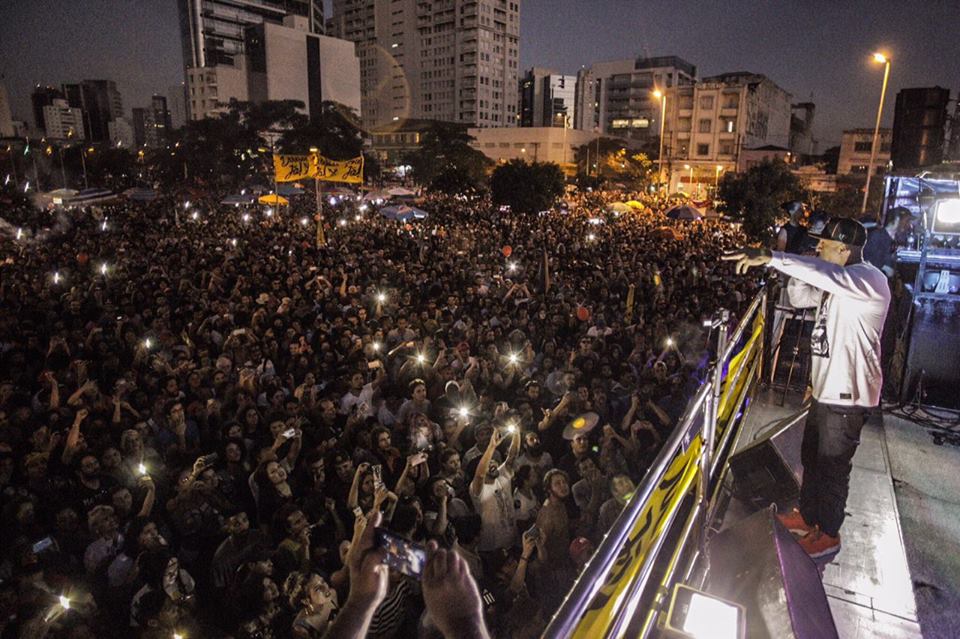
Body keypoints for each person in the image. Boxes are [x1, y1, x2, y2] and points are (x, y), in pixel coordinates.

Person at [723, 216, 890, 558]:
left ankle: (828, 532)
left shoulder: (869, 280)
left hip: (849, 395)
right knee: (811, 458)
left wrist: (772, 256)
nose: (818, 248)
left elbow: (829, 275)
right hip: (827, 389)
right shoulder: (838, 282)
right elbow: (800, 298)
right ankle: (808, 515)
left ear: (845, 249)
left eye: (825, 244)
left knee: (832, 467)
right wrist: (792, 263)